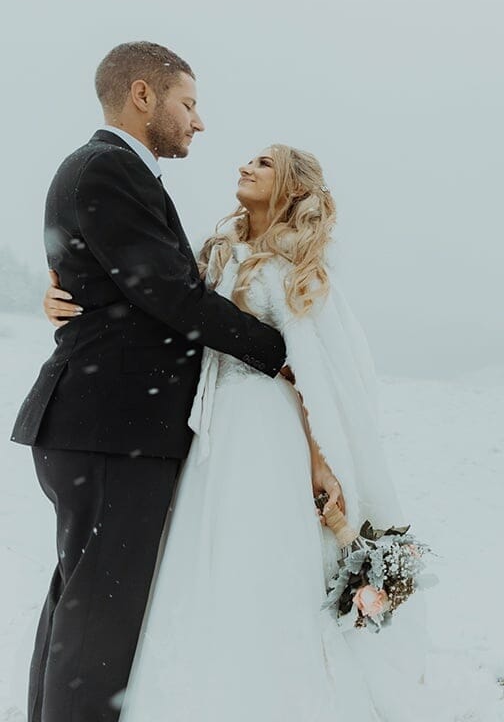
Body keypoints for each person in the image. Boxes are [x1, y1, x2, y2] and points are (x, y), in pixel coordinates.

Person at [10, 41, 303, 722]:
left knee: (81, 613)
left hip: (102, 425)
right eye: (188, 103)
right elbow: (169, 293)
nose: (199, 122)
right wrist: (283, 351)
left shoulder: (109, 172)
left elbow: (118, 286)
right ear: (143, 95)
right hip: (111, 429)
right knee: (99, 628)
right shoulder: (107, 170)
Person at [109, 144, 433, 720]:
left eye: (263, 164)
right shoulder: (216, 254)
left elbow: (314, 373)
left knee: (257, 557)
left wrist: (318, 458)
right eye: (248, 159)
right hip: (209, 430)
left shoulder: (295, 269)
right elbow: (164, 305)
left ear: (293, 189)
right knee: (202, 555)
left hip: (266, 432)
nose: (245, 166)